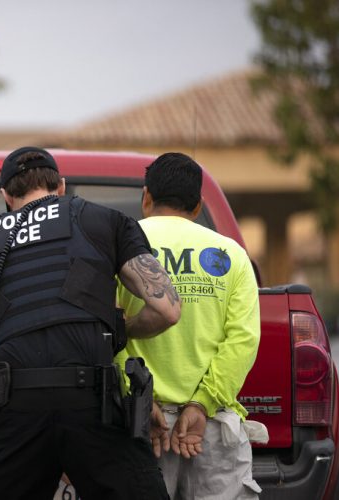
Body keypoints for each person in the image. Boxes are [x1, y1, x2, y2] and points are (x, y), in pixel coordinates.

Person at [0, 146, 181, 500]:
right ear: (60, 186)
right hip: (92, 403)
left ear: (5, 196)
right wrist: (120, 331)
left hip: (16, 411)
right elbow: (167, 309)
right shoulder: (103, 220)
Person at [116, 152, 262, 499]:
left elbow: (105, 331)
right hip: (210, 430)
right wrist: (202, 403)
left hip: (139, 424)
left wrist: (138, 396)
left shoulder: (118, 247)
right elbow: (243, 339)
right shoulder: (232, 255)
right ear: (197, 206)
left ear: (146, 197)